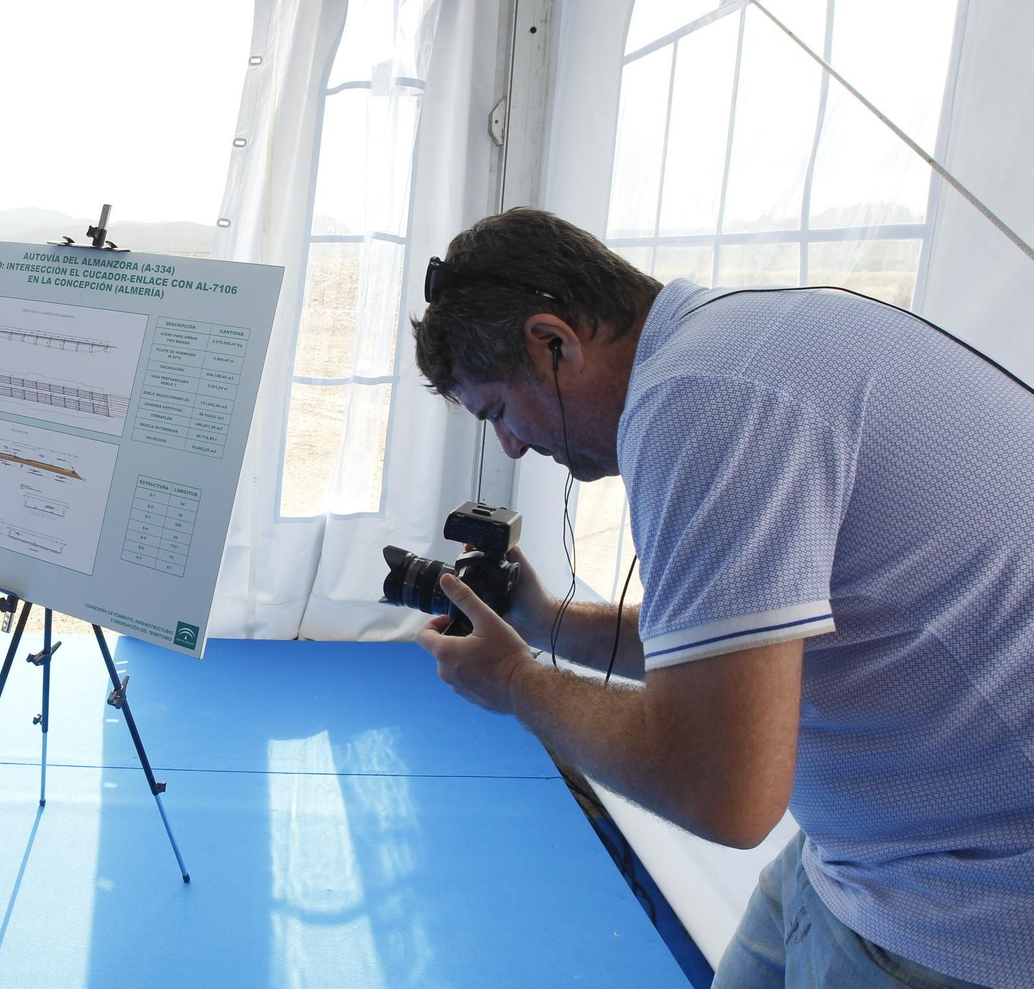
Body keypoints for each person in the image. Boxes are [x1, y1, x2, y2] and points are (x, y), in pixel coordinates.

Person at [409, 207, 1034, 989]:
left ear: (552, 341)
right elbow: (726, 649)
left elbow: (719, 788)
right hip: (858, 856)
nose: (509, 444)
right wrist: (544, 620)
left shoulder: (699, 404)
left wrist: (514, 681)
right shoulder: (733, 346)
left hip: (963, 911)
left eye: (497, 410)